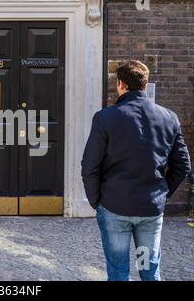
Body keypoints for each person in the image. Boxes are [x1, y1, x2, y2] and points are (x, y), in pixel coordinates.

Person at [81, 60, 191, 281]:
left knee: (118, 273)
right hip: (150, 209)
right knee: (149, 272)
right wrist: (162, 193)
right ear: (144, 84)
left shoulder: (106, 117)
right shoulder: (168, 117)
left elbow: (89, 166)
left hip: (114, 208)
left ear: (121, 84)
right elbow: (183, 166)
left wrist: (97, 201)